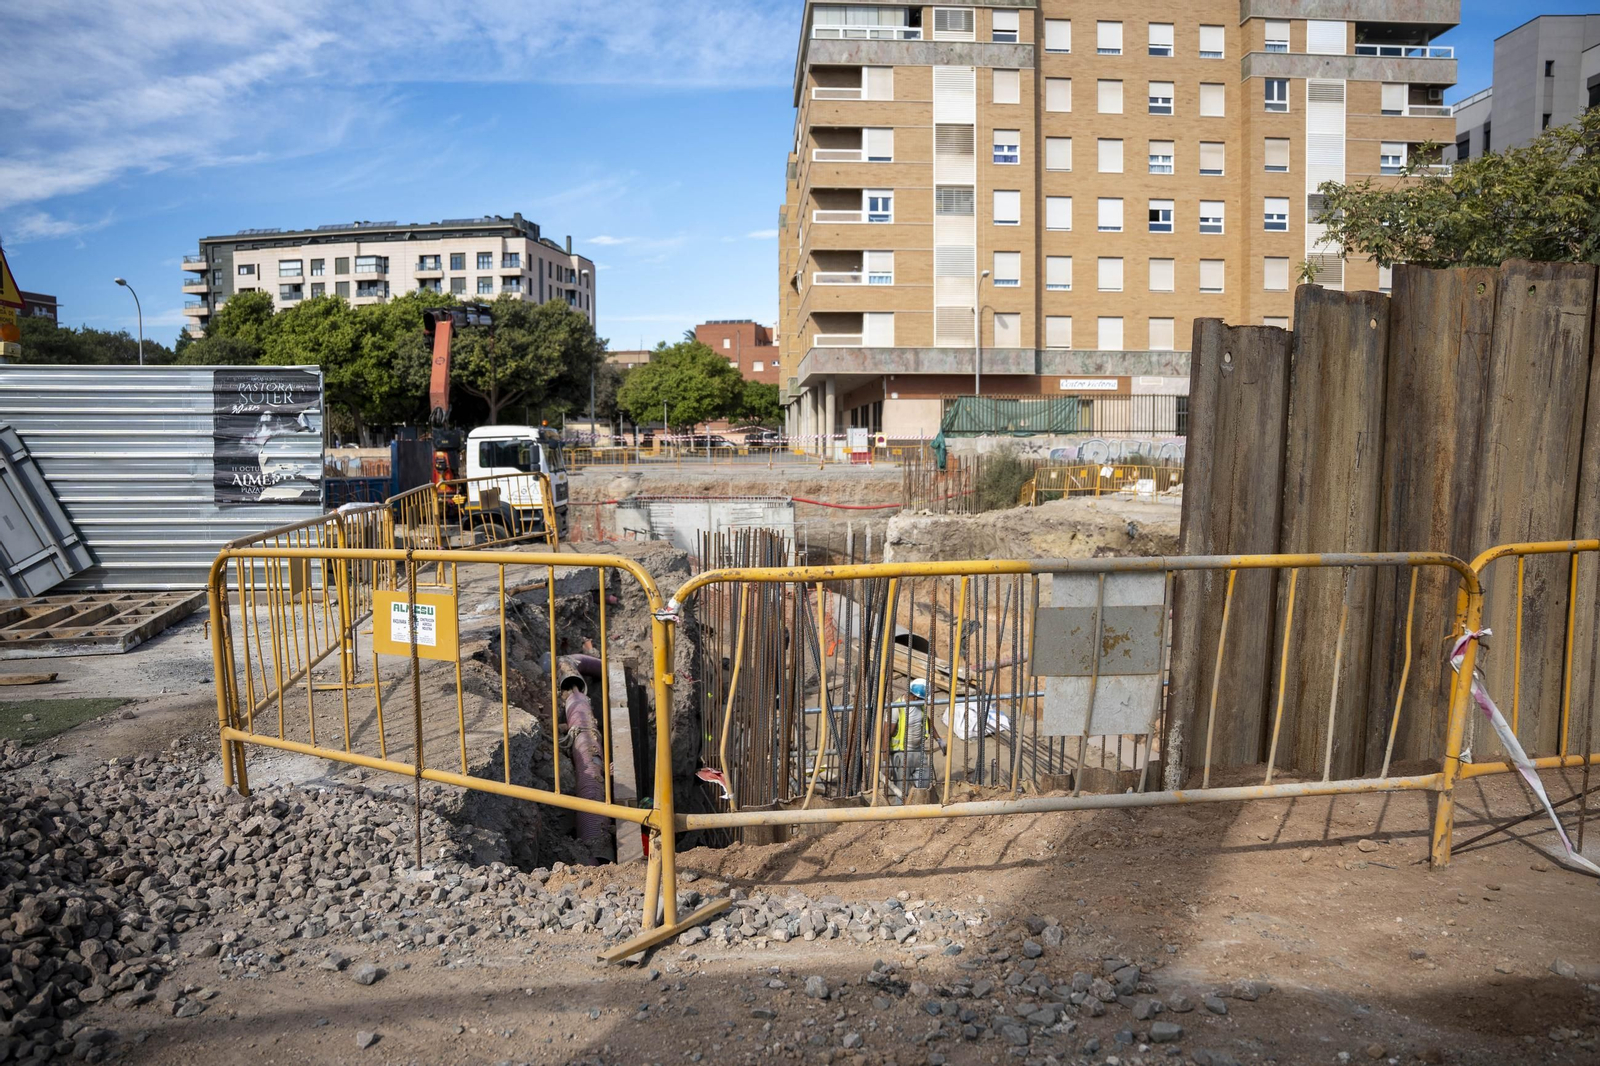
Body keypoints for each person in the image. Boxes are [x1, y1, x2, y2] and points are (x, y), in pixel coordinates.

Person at [882, 677, 945, 794]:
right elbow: (886, 734)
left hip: (919, 752)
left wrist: (939, 739)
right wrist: (885, 762)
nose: (924, 701)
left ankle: (918, 810)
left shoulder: (919, 705)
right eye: (922, 698)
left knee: (924, 788)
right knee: (902, 792)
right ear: (915, 697)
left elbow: (927, 721)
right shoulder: (897, 708)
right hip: (902, 754)